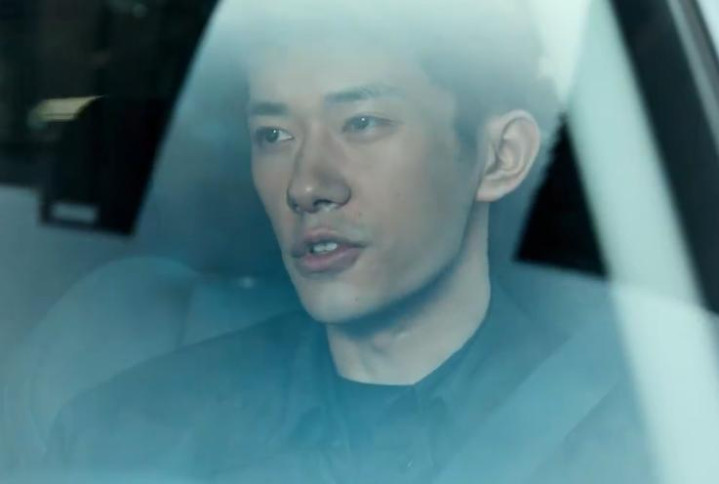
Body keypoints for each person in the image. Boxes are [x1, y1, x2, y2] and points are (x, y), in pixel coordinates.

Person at [39, 1, 657, 482]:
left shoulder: (651, 441)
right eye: (274, 135)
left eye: (362, 123)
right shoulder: (126, 437)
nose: (306, 186)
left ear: (500, 157)